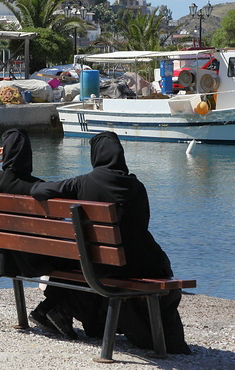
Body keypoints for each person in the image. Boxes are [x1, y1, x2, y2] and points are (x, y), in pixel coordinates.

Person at [30, 131, 190, 353]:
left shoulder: (82, 183)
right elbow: (144, 224)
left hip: (98, 266)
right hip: (138, 264)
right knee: (159, 262)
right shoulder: (137, 186)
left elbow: (38, 190)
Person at [0, 128, 78, 339]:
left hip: (9, 257)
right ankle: (50, 308)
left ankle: (50, 311)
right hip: (34, 259)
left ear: (5, 154)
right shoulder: (37, 186)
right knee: (77, 259)